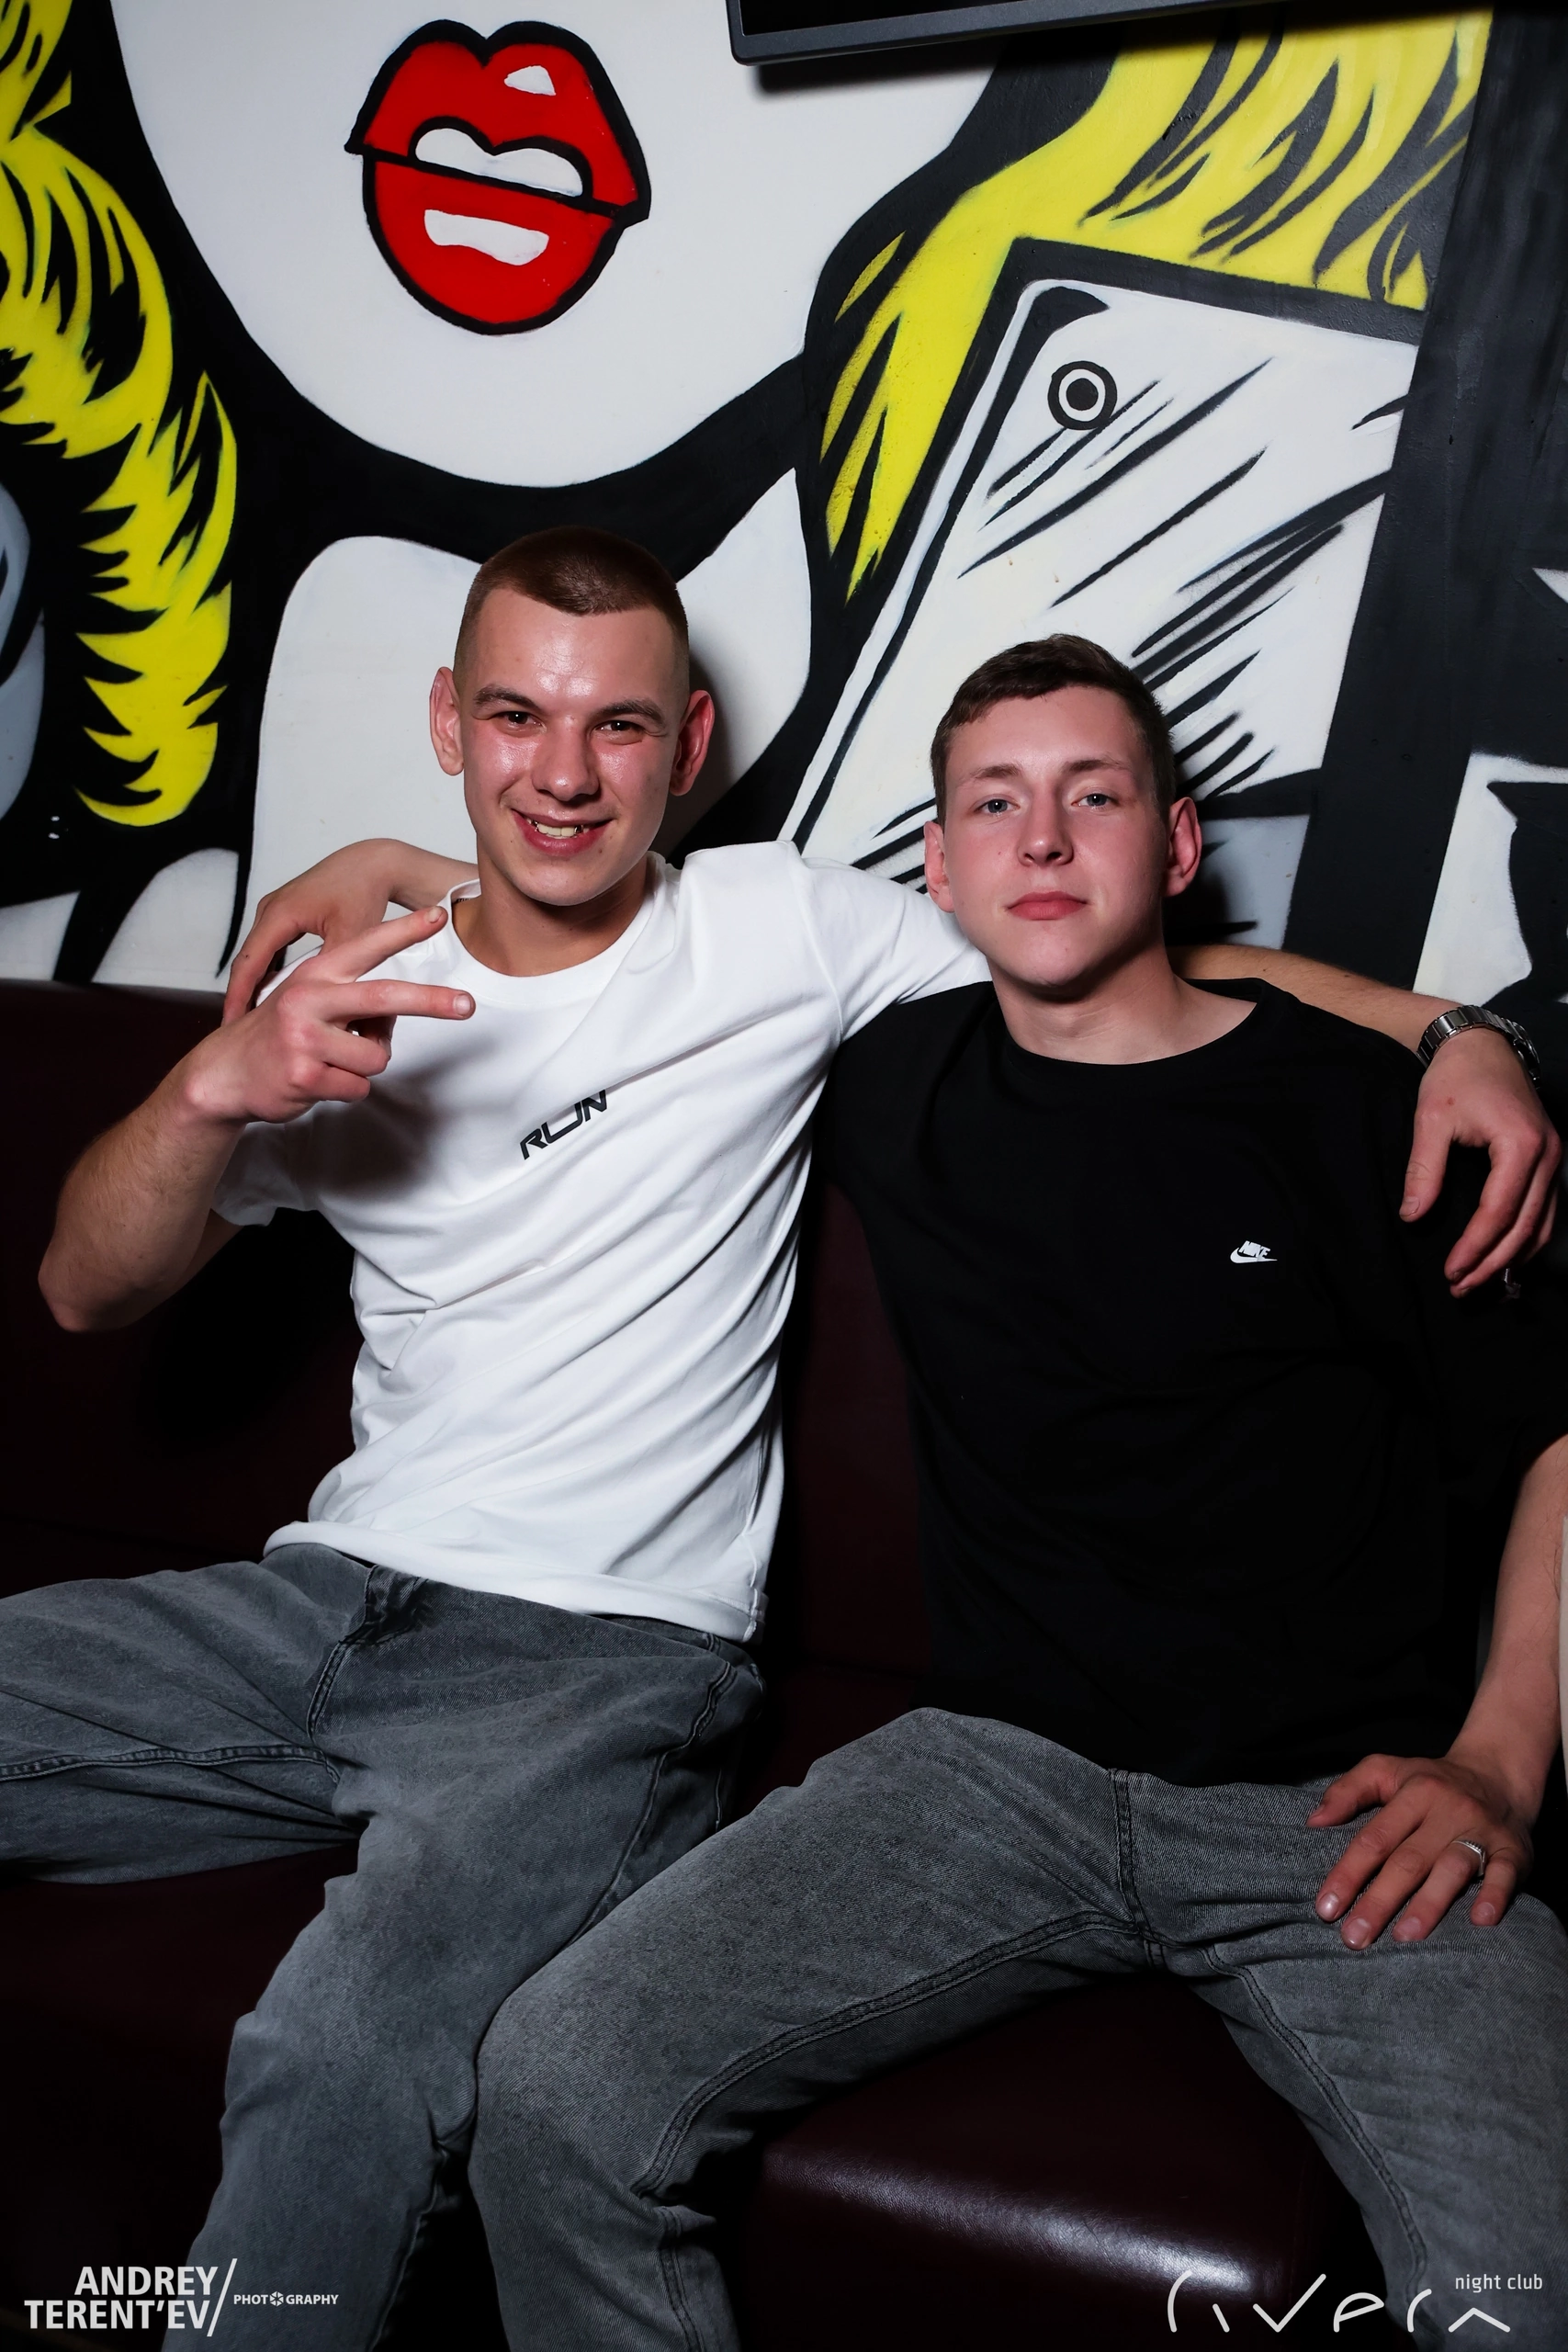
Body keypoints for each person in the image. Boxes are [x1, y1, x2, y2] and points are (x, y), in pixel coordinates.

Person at [6, 527, 1552, 2346]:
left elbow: (1145, 974)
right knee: (533, 2077)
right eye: (514, 717)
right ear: (447, 722)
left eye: (616, 724)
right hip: (435, 1632)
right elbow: (84, 1287)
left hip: (690, 1686)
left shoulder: (823, 945)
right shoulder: (417, 1008)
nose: (563, 769)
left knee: (1513, 2288)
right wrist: (221, 1069)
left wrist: (1465, 1033)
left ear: (689, 743)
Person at [454, 639, 1568, 2351]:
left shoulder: (1367, 1113)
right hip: (993, 1776)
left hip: (1338, 1815)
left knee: (1515, 2293)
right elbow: (584, 934)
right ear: (940, 865)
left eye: (1090, 796)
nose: (1040, 838)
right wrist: (379, 876)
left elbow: (1555, 1426)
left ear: (1174, 845)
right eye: (994, 805)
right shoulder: (888, 1078)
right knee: (557, 2087)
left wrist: (1497, 1762)